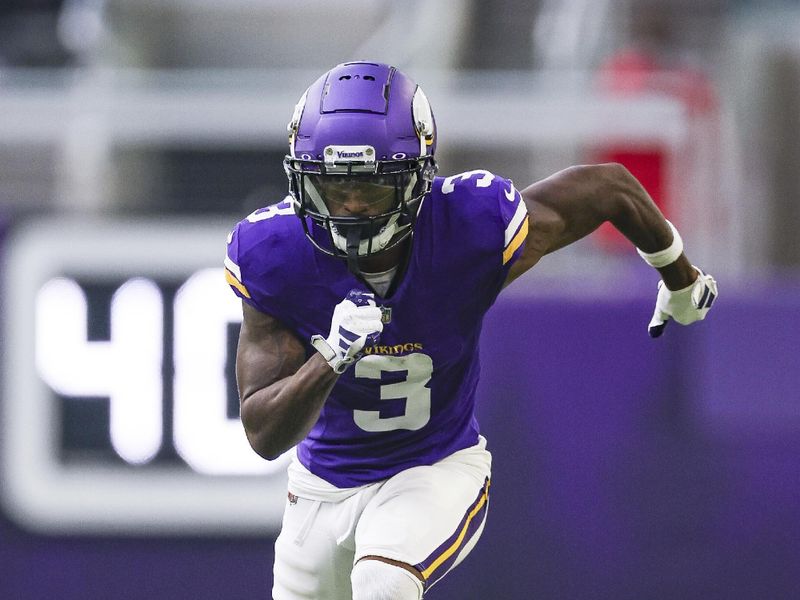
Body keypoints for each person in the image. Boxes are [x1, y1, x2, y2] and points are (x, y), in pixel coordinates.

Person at [224, 61, 718, 600]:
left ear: (415, 179)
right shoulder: (274, 255)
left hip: (434, 467)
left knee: (382, 582)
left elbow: (609, 188)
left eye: (371, 186)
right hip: (319, 489)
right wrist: (331, 359)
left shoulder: (469, 227)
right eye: (331, 185)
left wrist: (680, 277)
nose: (350, 207)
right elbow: (263, 435)